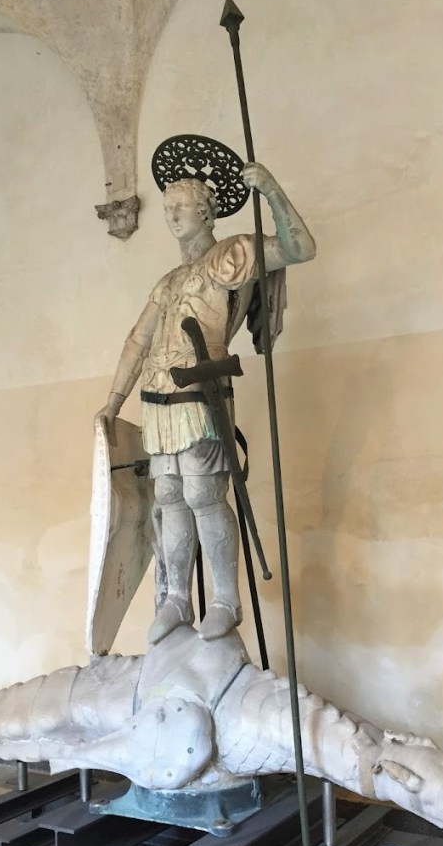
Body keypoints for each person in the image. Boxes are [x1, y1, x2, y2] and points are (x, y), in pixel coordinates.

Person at [102, 163, 315, 644]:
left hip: (202, 394)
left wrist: (272, 190)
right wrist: (113, 402)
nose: (173, 215)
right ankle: (178, 597)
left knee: (203, 495)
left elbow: (300, 248)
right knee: (169, 496)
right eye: (167, 208)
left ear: (206, 212)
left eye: (182, 206)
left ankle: (225, 601)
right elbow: (138, 340)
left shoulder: (232, 255)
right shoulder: (169, 280)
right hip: (158, 400)